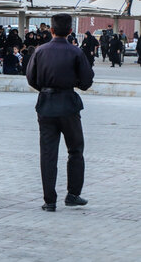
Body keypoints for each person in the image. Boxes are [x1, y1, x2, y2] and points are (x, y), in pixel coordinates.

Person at [26, 13, 93, 212]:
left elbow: (31, 78)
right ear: (70, 31)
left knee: (48, 153)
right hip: (68, 106)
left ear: (51, 30)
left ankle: (49, 200)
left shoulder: (40, 51)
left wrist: (45, 89)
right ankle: (73, 194)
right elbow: (87, 81)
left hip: (46, 106)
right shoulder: (76, 52)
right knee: (75, 150)